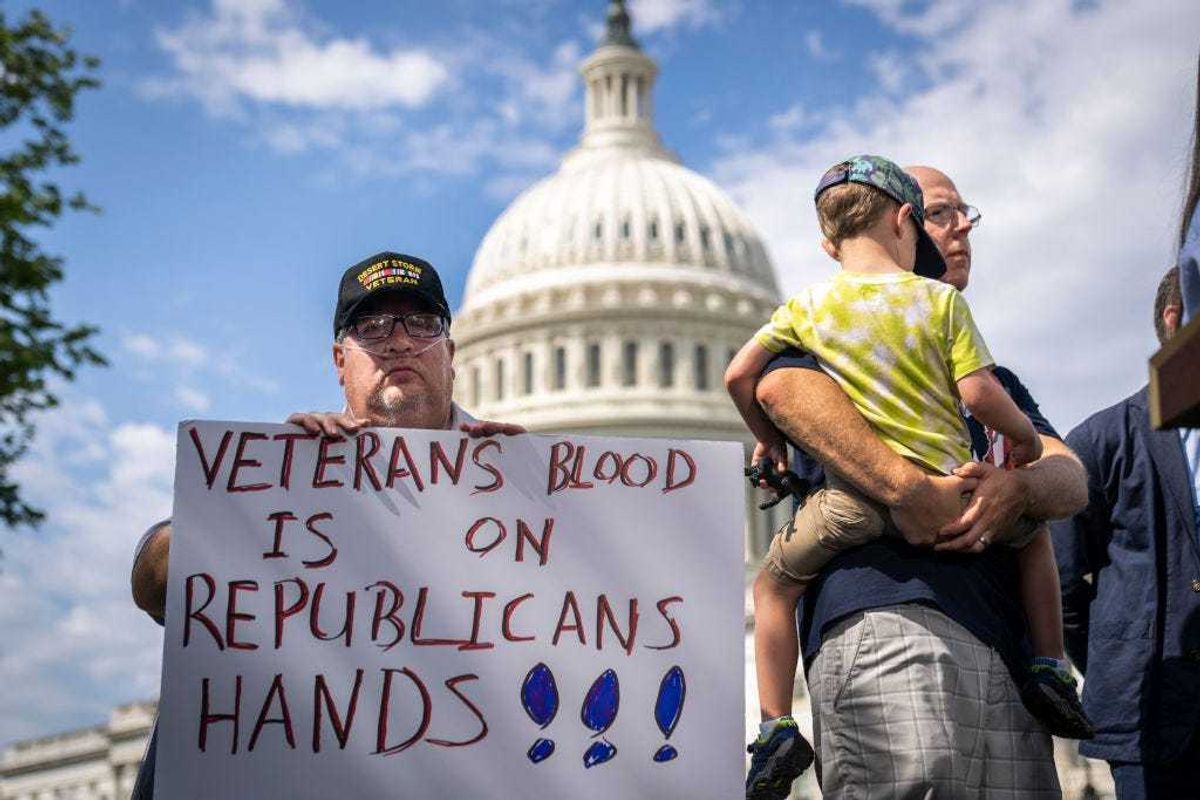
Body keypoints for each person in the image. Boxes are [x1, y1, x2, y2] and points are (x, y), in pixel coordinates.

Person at [727, 155, 1088, 799]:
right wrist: (914, 491)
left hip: (1000, 646)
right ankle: (1052, 665)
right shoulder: (817, 348)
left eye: (965, 213)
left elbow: (1070, 479)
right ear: (905, 223)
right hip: (891, 620)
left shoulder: (973, 359)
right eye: (939, 213)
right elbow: (778, 389)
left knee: (773, 586)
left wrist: (1018, 488)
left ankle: (774, 727)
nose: (961, 227)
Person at [128, 251, 523, 799]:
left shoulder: (531, 488)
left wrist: (537, 495)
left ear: (451, 355)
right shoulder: (279, 477)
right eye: (373, 327)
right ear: (341, 360)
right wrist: (271, 501)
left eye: (421, 323)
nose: (399, 342)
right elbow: (152, 583)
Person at [1051, 267, 1200, 798]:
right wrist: (1121, 657)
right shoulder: (1101, 441)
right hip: (1148, 726)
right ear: (1175, 321)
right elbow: (1061, 585)